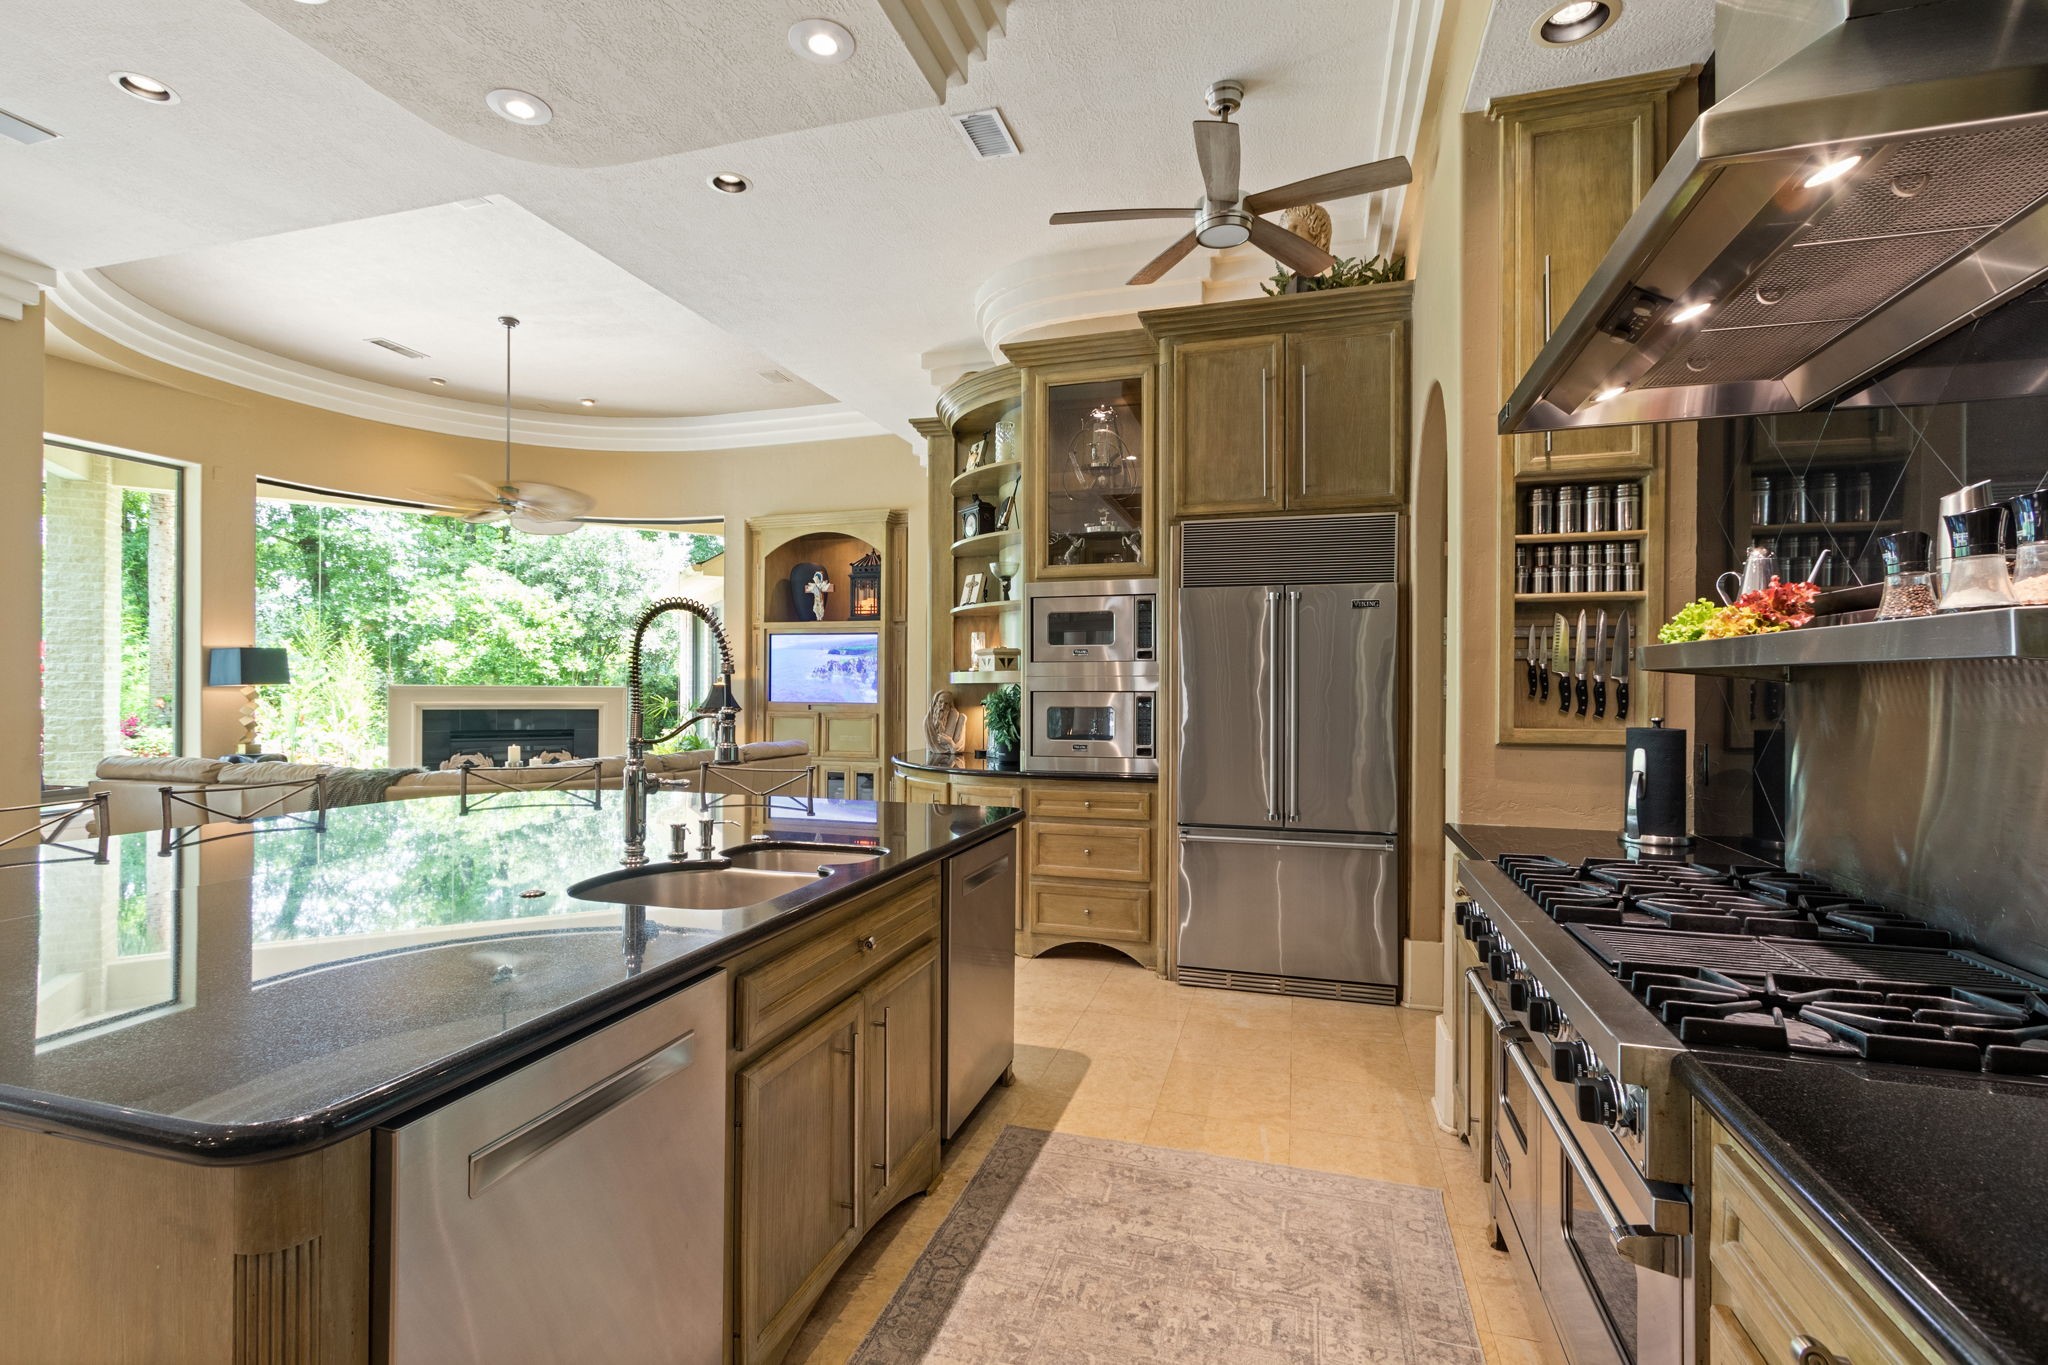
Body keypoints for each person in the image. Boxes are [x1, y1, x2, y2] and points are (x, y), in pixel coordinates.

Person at [923, 689, 967, 758]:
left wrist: (950, 742)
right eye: (940, 702)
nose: (942, 707)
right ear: (935, 703)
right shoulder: (928, 723)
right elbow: (931, 745)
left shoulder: (958, 718)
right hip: (934, 760)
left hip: (952, 762)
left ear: (950, 706)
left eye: (946, 704)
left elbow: (957, 749)